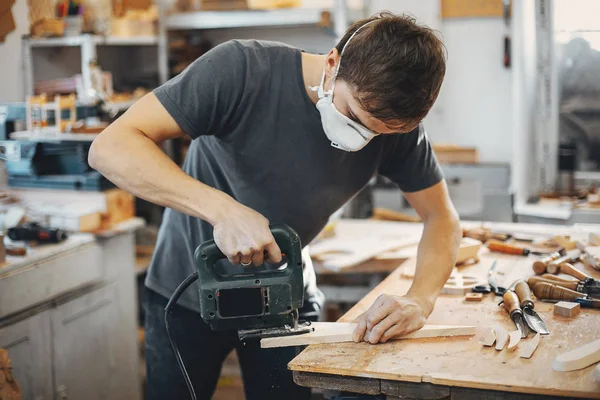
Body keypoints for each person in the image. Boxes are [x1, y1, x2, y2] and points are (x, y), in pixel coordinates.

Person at [89, 11, 461, 400]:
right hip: (185, 293)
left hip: (286, 299)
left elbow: (442, 218)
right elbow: (111, 147)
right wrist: (222, 210)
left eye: (381, 132)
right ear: (333, 63)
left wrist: (420, 299)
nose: (364, 137)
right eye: (354, 116)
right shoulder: (242, 70)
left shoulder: (395, 127)